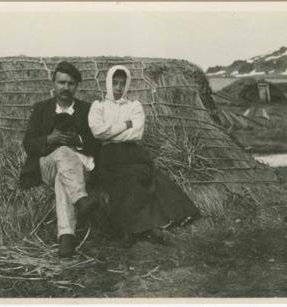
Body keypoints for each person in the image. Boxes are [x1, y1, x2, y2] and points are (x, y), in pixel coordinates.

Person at [88, 65, 200, 245]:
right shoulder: (98, 106)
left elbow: (136, 134)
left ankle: (133, 229)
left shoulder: (134, 106)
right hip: (108, 156)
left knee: (140, 176)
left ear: (127, 85)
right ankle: (149, 229)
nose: (118, 88)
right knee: (122, 180)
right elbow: (98, 133)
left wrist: (112, 132)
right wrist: (125, 125)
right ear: (108, 83)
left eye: (122, 84)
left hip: (133, 153)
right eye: (114, 83)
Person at [19, 61, 100, 257]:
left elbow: (98, 144)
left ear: (76, 86)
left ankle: (66, 236)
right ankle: (81, 199)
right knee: (63, 152)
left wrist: (78, 140)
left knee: (62, 179)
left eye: (70, 83)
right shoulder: (41, 109)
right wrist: (50, 139)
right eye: (61, 83)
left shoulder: (87, 110)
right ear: (53, 84)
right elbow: (28, 144)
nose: (65, 87)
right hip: (47, 165)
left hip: (80, 169)